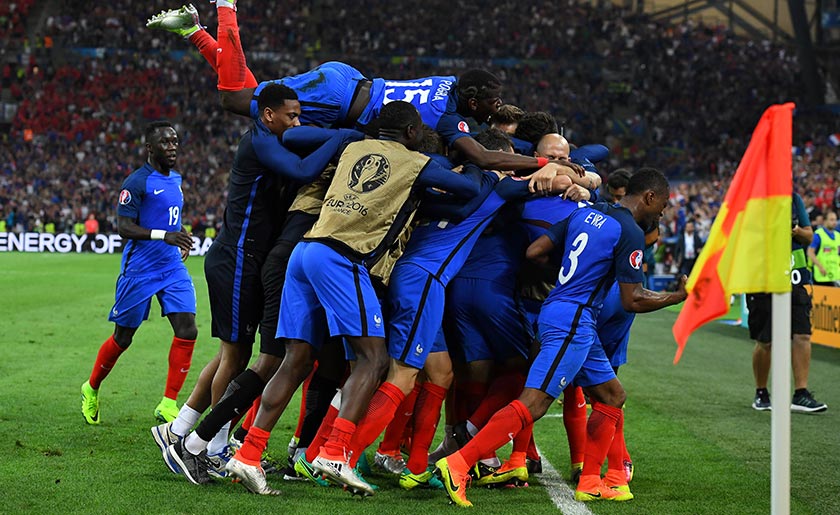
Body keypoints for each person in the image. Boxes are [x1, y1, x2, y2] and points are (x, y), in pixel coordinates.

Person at [222, 101, 481, 496]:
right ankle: (336, 451)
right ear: (411, 133)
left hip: (304, 252)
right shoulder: (412, 161)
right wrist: (470, 162)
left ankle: (248, 453)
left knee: (295, 361)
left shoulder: (354, 147)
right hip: (342, 259)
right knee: (374, 359)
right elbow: (469, 189)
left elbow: (297, 136)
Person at [436, 168, 688, 507]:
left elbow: (535, 251)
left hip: (561, 310)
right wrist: (675, 297)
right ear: (649, 197)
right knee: (534, 402)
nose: (663, 212)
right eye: (664, 204)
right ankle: (458, 463)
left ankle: (591, 481)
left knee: (612, 396)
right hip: (574, 320)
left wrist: (572, 276)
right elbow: (633, 299)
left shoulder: (587, 212)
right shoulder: (628, 230)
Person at [154, 82, 362, 487]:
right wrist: (340, 137)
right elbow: (303, 171)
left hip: (248, 257)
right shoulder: (260, 141)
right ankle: (210, 447)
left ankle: (181, 429)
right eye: (292, 115)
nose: (297, 122)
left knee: (235, 351)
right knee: (235, 356)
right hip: (237, 256)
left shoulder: (274, 141)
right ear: (269, 115)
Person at [146, 3, 581, 176]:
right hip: (343, 99)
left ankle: (194, 32)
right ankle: (226, 10)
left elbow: (502, 118)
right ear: (471, 102)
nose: (494, 107)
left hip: (348, 84)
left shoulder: (453, 84)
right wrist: (543, 161)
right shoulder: (452, 119)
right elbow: (485, 156)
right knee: (237, 100)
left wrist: (522, 129)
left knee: (261, 97)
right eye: (489, 102)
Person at [80, 120, 197, 425]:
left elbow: (170, 216)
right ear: (149, 148)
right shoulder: (136, 182)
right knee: (123, 337)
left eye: (175, 142)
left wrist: (179, 233)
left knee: (187, 329)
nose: (172, 147)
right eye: (165, 143)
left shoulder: (176, 178)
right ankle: (91, 387)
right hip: (140, 269)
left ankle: (168, 403)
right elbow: (124, 227)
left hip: (171, 266)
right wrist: (166, 236)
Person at [748, 192, 827, 413]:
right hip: (763, 278)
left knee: (802, 335)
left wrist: (794, 230)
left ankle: (800, 393)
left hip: (795, 278)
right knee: (767, 341)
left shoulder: (794, 198)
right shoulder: (752, 198)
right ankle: (761, 392)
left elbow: (809, 235)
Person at [808, 210, 840, 286]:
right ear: (825, 221)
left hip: (835, 274)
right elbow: (810, 252)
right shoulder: (818, 235)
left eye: (835, 220)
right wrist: (820, 267)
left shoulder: (838, 235)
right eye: (831, 220)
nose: (834, 222)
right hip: (821, 275)